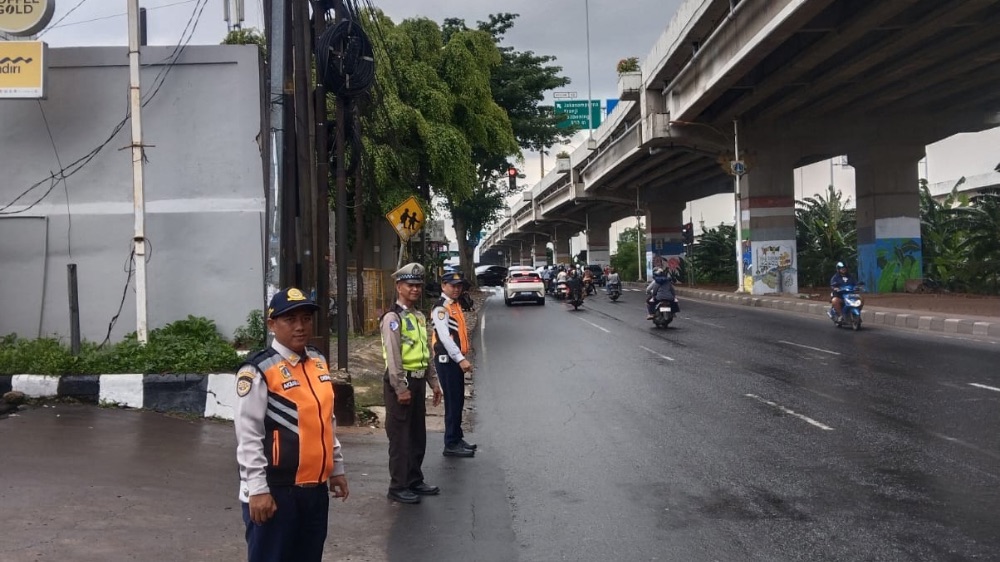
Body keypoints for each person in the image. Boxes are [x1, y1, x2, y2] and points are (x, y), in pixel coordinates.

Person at [234, 287, 349, 562]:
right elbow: (248, 435)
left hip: (314, 492)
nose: (300, 326)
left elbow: (326, 419)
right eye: (290, 319)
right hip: (275, 492)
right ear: (272, 324)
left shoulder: (318, 361)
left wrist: (336, 468)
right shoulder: (258, 370)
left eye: (306, 319)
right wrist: (257, 489)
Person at [380, 263, 444, 504]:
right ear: (399, 287)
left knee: (417, 435)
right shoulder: (392, 318)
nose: (415, 289)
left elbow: (425, 351)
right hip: (401, 381)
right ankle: (398, 486)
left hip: (417, 381)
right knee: (400, 437)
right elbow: (393, 356)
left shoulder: (417, 316)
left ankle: (415, 479)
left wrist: (433, 382)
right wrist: (400, 388)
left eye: (418, 285)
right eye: (410, 285)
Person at [431, 271, 477, 458]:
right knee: (452, 402)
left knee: (458, 400)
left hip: (454, 359)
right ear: (443, 286)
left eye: (459, 286)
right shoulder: (441, 308)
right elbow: (445, 338)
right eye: (453, 285)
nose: (457, 289)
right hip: (447, 360)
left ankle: (457, 438)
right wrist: (460, 359)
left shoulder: (455, 305)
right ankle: (450, 443)